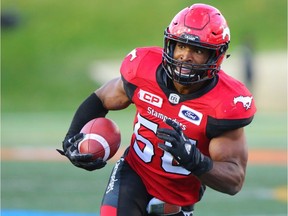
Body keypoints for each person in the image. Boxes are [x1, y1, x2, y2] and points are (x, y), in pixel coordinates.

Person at [57, 3, 256, 216]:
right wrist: (72, 138)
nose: (185, 56)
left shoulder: (224, 104)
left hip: (178, 199)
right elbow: (102, 97)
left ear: (216, 55)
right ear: (170, 44)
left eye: (197, 50)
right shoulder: (144, 69)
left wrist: (194, 160)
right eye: (180, 46)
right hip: (134, 174)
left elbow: (234, 180)